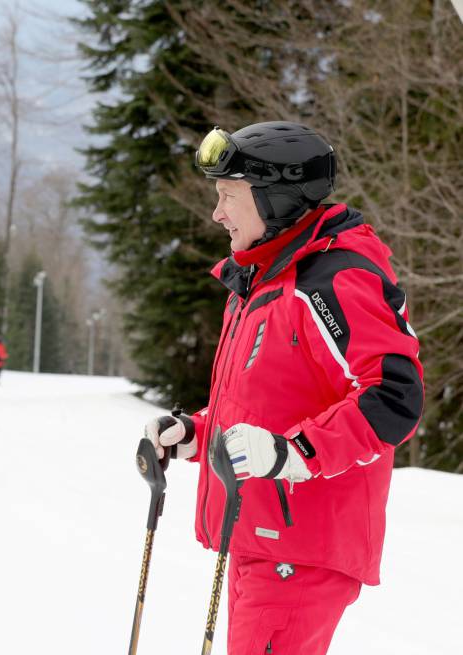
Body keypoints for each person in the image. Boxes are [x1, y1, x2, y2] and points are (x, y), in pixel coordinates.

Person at [143, 122, 423, 654]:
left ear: (276, 200)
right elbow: (267, 406)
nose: (217, 213)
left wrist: (296, 452)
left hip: (302, 549)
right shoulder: (264, 281)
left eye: (229, 197)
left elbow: (393, 396)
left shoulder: (334, 279)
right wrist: (195, 435)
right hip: (263, 538)